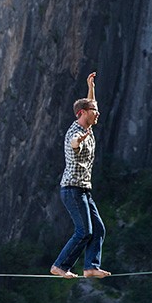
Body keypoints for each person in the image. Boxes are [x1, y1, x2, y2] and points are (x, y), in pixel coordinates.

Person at [50, 72, 111, 279]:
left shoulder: (88, 125)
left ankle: (90, 267)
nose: (98, 113)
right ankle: (59, 266)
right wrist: (80, 139)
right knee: (84, 230)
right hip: (72, 190)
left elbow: (91, 102)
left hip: (84, 190)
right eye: (95, 111)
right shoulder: (75, 132)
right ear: (83, 113)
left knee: (99, 229)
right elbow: (74, 142)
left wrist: (91, 86)